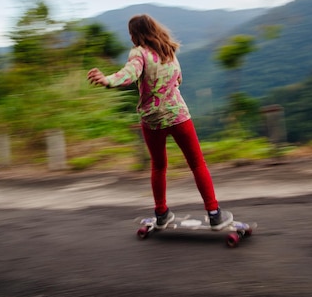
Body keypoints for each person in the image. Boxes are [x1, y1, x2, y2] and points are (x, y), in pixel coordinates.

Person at [87, 14, 234, 230]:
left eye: (131, 34)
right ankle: (214, 213)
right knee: (197, 163)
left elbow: (130, 74)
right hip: (178, 115)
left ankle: (162, 213)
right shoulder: (169, 50)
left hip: (153, 118)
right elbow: (179, 79)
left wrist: (107, 80)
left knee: (158, 166)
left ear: (136, 34)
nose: (130, 38)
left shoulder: (139, 53)